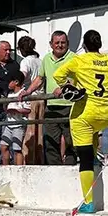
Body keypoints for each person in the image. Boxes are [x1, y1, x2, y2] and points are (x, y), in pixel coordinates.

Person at [53, 30, 108, 213]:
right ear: (100, 44)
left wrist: (68, 86)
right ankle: (96, 160)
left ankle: (88, 202)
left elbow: (58, 75)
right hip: (105, 113)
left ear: (84, 45)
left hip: (85, 113)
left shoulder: (79, 60)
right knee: (94, 137)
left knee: (85, 159)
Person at [41, 31, 76, 165]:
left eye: (63, 42)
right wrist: (27, 92)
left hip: (70, 105)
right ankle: (54, 169)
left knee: (71, 142)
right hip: (51, 106)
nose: (60, 45)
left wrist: (64, 88)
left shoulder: (74, 58)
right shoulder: (46, 59)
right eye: (57, 42)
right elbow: (40, 78)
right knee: (50, 141)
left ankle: (70, 168)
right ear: (51, 44)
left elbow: (77, 78)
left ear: (68, 44)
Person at [1, 72, 30, 165]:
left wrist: (16, 110)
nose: (8, 84)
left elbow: (28, 110)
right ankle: (6, 168)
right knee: (3, 146)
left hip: (19, 125)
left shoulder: (23, 93)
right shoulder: (9, 94)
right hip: (9, 124)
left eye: (9, 81)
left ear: (16, 82)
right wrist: (5, 105)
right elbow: (6, 109)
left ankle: (18, 169)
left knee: (17, 149)